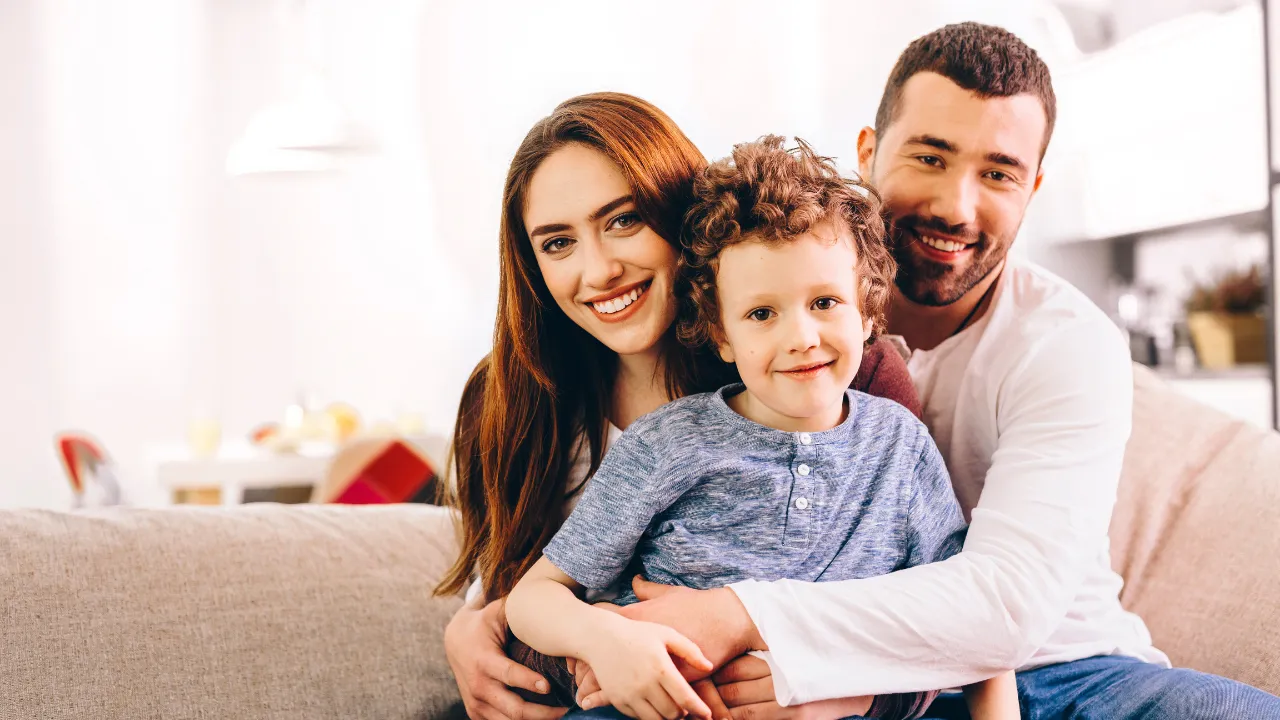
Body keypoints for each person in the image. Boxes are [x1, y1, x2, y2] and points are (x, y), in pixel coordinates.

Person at [566, 23, 1280, 720]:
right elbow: (590, 534)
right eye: (930, 158)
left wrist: (748, 616)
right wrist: (495, 617)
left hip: (1071, 668)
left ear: (1033, 186)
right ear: (870, 152)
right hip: (865, 688)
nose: (955, 205)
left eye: (998, 173)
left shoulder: (1066, 344)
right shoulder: (762, 318)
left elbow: (1006, 609)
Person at [436, 92, 922, 720]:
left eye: (623, 220)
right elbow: (518, 584)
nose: (599, 270)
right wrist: (474, 623)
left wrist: (860, 691)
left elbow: (940, 600)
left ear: (681, 214)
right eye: (557, 243)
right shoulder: (508, 397)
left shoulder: (835, 374)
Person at [506, 136, 1018, 720]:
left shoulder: (899, 446)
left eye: (824, 302)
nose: (799, 337)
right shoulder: (666, 444)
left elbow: (970, 625)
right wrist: (607, 640)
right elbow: (533, 598)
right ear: (720, 335)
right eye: (761, 314)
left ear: (869, 309)